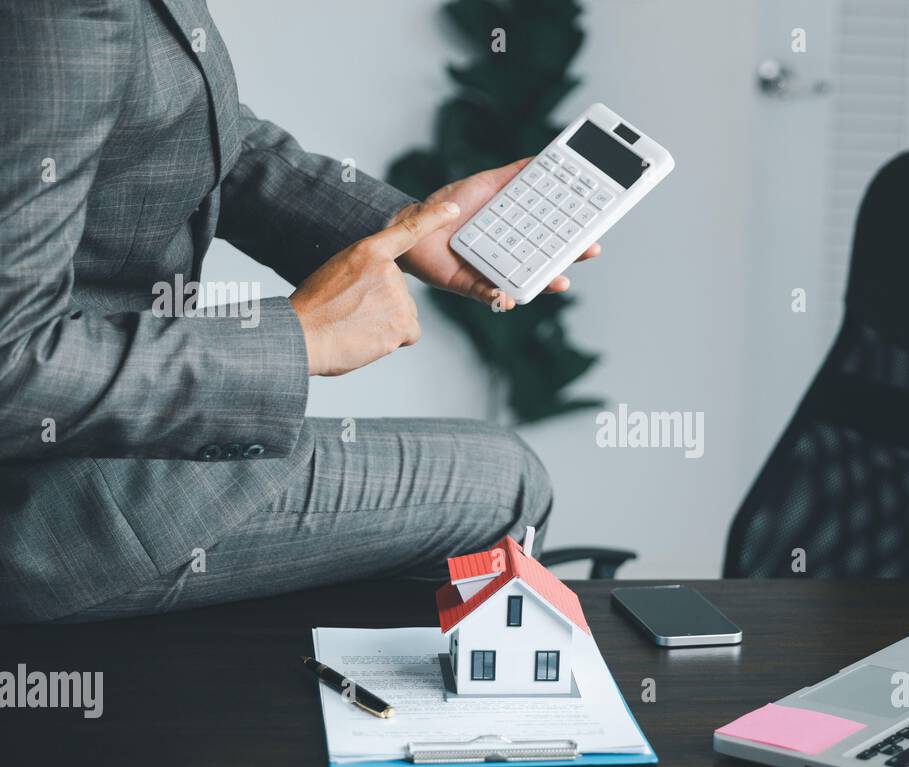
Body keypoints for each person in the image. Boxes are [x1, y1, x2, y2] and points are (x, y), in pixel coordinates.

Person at [0, 0, 597, 623]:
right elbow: (11, 367)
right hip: (50, 511)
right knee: (507, 484)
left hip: (101, 450)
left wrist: (415, 229)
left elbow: (199, 133)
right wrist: (298, 338)